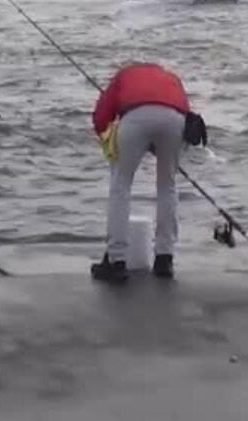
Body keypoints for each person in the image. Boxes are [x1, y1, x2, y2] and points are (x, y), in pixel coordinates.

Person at [89, 62, 207, 284]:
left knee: (120, 186)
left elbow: (101, 117)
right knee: (167, 186)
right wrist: (155, 144)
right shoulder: (172, 78)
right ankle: (164, 258)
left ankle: (116, 260)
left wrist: (107, 136)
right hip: (174, 120)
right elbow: (183, 110)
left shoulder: (124, 75)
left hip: (134, 118)